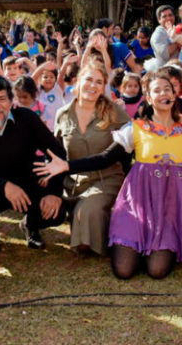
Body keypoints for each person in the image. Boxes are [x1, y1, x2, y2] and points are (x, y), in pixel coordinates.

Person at [36, 71, 182, 279]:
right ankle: (136, 242)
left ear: (175, 95)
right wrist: (66, 166)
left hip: (168, 210)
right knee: (124, 271)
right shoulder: (136, 128)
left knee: (156, 271)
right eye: (157, 90)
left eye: (167, 89)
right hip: (136, 205)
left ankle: (156, 246)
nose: (163, 93)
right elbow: (105, 158)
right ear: (149, 98)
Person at [0, 76, 68, 267]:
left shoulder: (26, 118)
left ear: (11, 101)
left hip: (28, 185)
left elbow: (57, 153)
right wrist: (4, 186)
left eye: (1, 99)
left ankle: (31, 226)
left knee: (56, 213)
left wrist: (53, 192)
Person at [46, 63, 131, 256]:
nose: (93, 86)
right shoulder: (62, 114)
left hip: (106, 180)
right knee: (79, 214)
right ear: (77, 81)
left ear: (103, 87)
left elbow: (136, 135)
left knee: (85, 230)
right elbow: (55, 154)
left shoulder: (114, 112)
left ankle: (107, 228)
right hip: (74, 184)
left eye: (99, 82)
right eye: (89, 80)